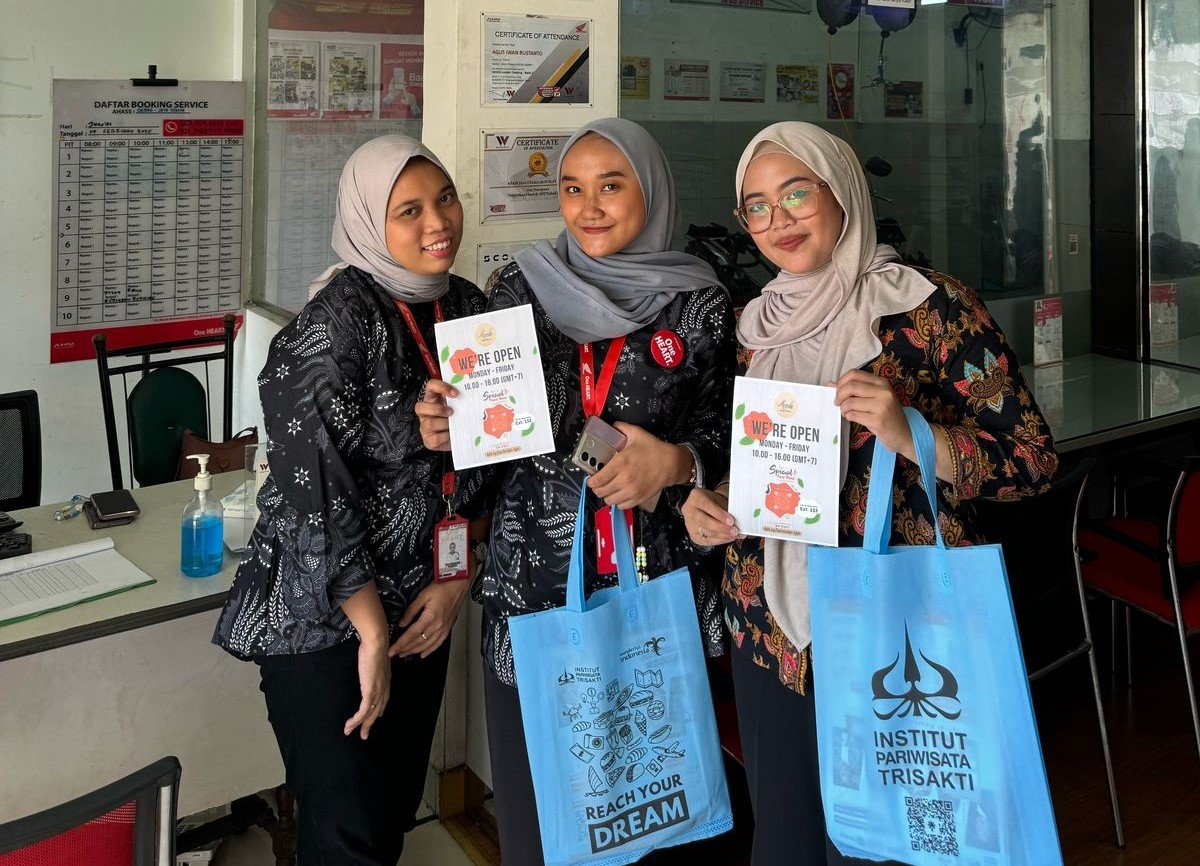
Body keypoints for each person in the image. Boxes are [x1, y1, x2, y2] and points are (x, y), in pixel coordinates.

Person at [680, 121, 1058, 864]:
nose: (778, 220)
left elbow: (1033, 461)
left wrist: (911, 431)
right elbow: (747, 457)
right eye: (756, 206)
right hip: (769, 626)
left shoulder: (928, 307)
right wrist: (711, 500)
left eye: (796, 193)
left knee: (886, 845)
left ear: (842, 190)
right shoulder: (751, 327)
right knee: (785, 839)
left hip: (898, 622)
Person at [417, 117, 737, 864]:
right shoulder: (519, 288)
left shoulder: (699, 303)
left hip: (655, 583)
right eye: (571, 188)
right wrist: (446, 428)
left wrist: (678, 462)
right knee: (543, 817)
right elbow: (491, 447)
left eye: (610, 186)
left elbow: (727, 432)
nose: (588, 208)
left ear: (650, 192)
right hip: (533, 590)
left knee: (659, 810)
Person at [213, 135, 489, 865]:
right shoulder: (333, 324)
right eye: (408, 210)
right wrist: (368, 632)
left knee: (389, 816)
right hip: (327, 619)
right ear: (368, 220)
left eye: (445, 198)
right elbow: (311, 493)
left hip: (423, 604)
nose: (438, 223)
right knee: (346, 839)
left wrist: (455, 581)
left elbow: (500, 460)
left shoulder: (470, 310)